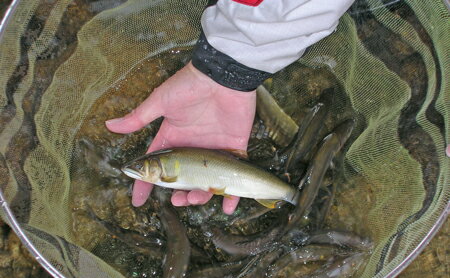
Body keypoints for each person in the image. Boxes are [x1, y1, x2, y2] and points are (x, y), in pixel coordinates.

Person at [105, 0, 356, 214]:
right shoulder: (165, 168)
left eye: (140, 167)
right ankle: (294, 196)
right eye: (139, 168)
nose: (135, 170)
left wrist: (224, 64)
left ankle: (293, 196)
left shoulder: (166, 172)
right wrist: (228, 69)